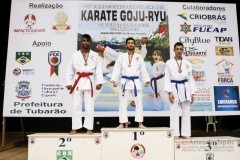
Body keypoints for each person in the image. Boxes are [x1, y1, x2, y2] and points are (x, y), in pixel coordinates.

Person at [66, 34, 104, 135]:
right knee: (76, 105)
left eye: (87, 41)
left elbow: (99, 70)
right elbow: (70, 69)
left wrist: (99, 82)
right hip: (78, 81)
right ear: (81, 42)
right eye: (84, 41)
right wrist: (69, 82)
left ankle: (89, 128)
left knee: (89, 106)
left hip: (90, 81)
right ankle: (74, 127)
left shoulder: (95, 55)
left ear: (90, 42)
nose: (85, 42)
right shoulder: (75, 55)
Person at [110, 37, 150, 129]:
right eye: (129, 43)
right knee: (123, 103)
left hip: (136, 81)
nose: (131, 44)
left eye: (132, 43)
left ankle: (140, 123)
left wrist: (146, 80)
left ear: (134, 45)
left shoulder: (138, 57)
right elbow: (117, 69)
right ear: (126, 45)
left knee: (139, 103)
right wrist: (114, 80)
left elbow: (143, 69)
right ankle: (121, 123)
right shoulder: (121, 56)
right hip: (125, 82)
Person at [164, 42, 196, 140]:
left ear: (183, 50)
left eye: (180, 49)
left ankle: (185, 133)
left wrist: (192, 92)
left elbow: (191, 79)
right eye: (177, 49)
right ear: (174, 50)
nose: (179, 51)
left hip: (185, 87)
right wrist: (169, 92)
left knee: (186, 111)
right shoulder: (169, 62)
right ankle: (175, 133)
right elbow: (167, 78)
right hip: (174, 87)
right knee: (174, 111)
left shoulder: (187, 63)